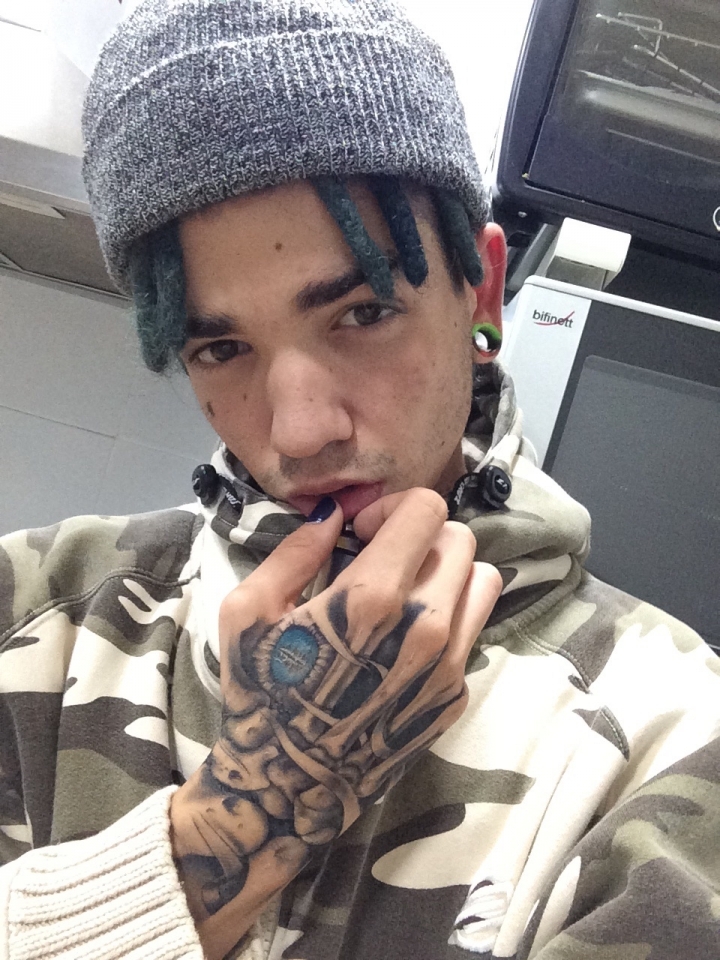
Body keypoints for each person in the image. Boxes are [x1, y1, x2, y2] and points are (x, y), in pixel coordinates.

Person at [1, 1, 719, 958]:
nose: (300, 432)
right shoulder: (31, 614)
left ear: (482, 292)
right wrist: (241, 816)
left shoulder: (674, 733)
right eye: (221, 348)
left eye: (363, 312)